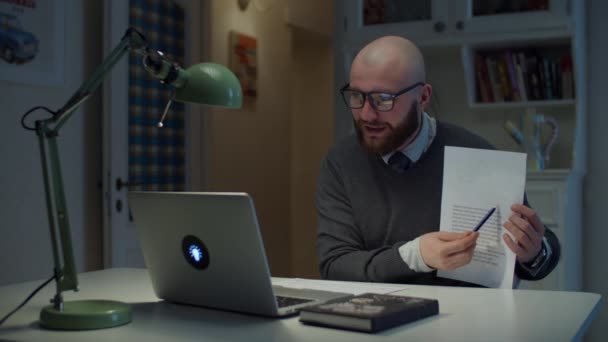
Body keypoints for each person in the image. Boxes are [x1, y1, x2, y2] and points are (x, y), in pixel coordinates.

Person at [316, 36, 560, 286]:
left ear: (422, 97)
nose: (367, 114)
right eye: (357, 96)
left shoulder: (477, 154)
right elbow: (335, 266)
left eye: (383, 99)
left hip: (468, 318)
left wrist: (533, 253)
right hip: (377, 315)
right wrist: (417, 255)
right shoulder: (340, 163)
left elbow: (542, 254)